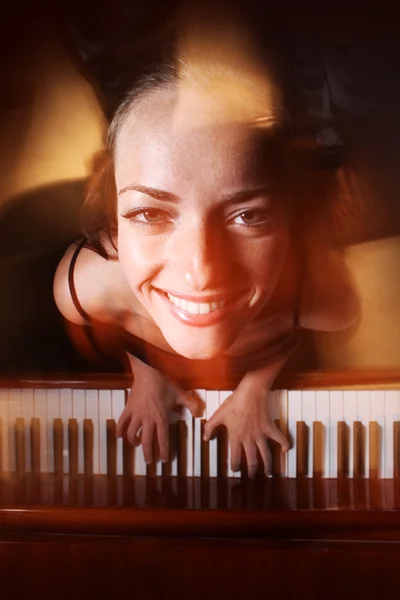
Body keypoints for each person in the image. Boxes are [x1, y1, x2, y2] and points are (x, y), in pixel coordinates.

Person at [53, 29, 359, 478]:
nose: (201, 275)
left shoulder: (321, 294)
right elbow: (110, 331)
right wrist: (143, 371)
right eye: (150, 213)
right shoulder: (83, 287)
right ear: (114, 217)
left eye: (248, 217)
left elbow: (303, 332)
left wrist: (257, 388)